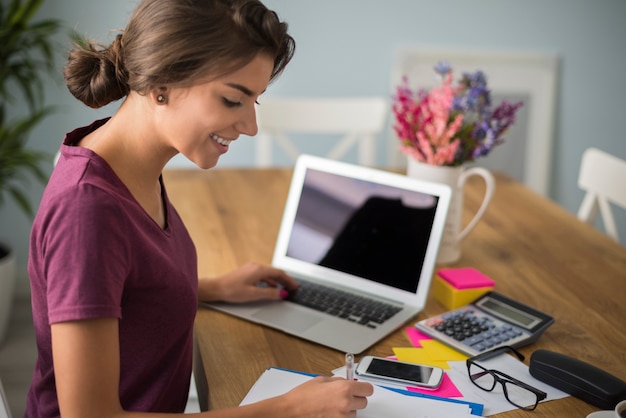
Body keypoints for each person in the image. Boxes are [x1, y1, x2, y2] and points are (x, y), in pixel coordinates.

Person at [25, 0, 374, 417]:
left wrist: (209, 288)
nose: (250, 126)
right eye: (232, 100)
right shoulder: (88, 211)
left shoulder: (126, 163)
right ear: (163, 85)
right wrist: (286, 409)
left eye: (255, 102)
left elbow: (120, 284)